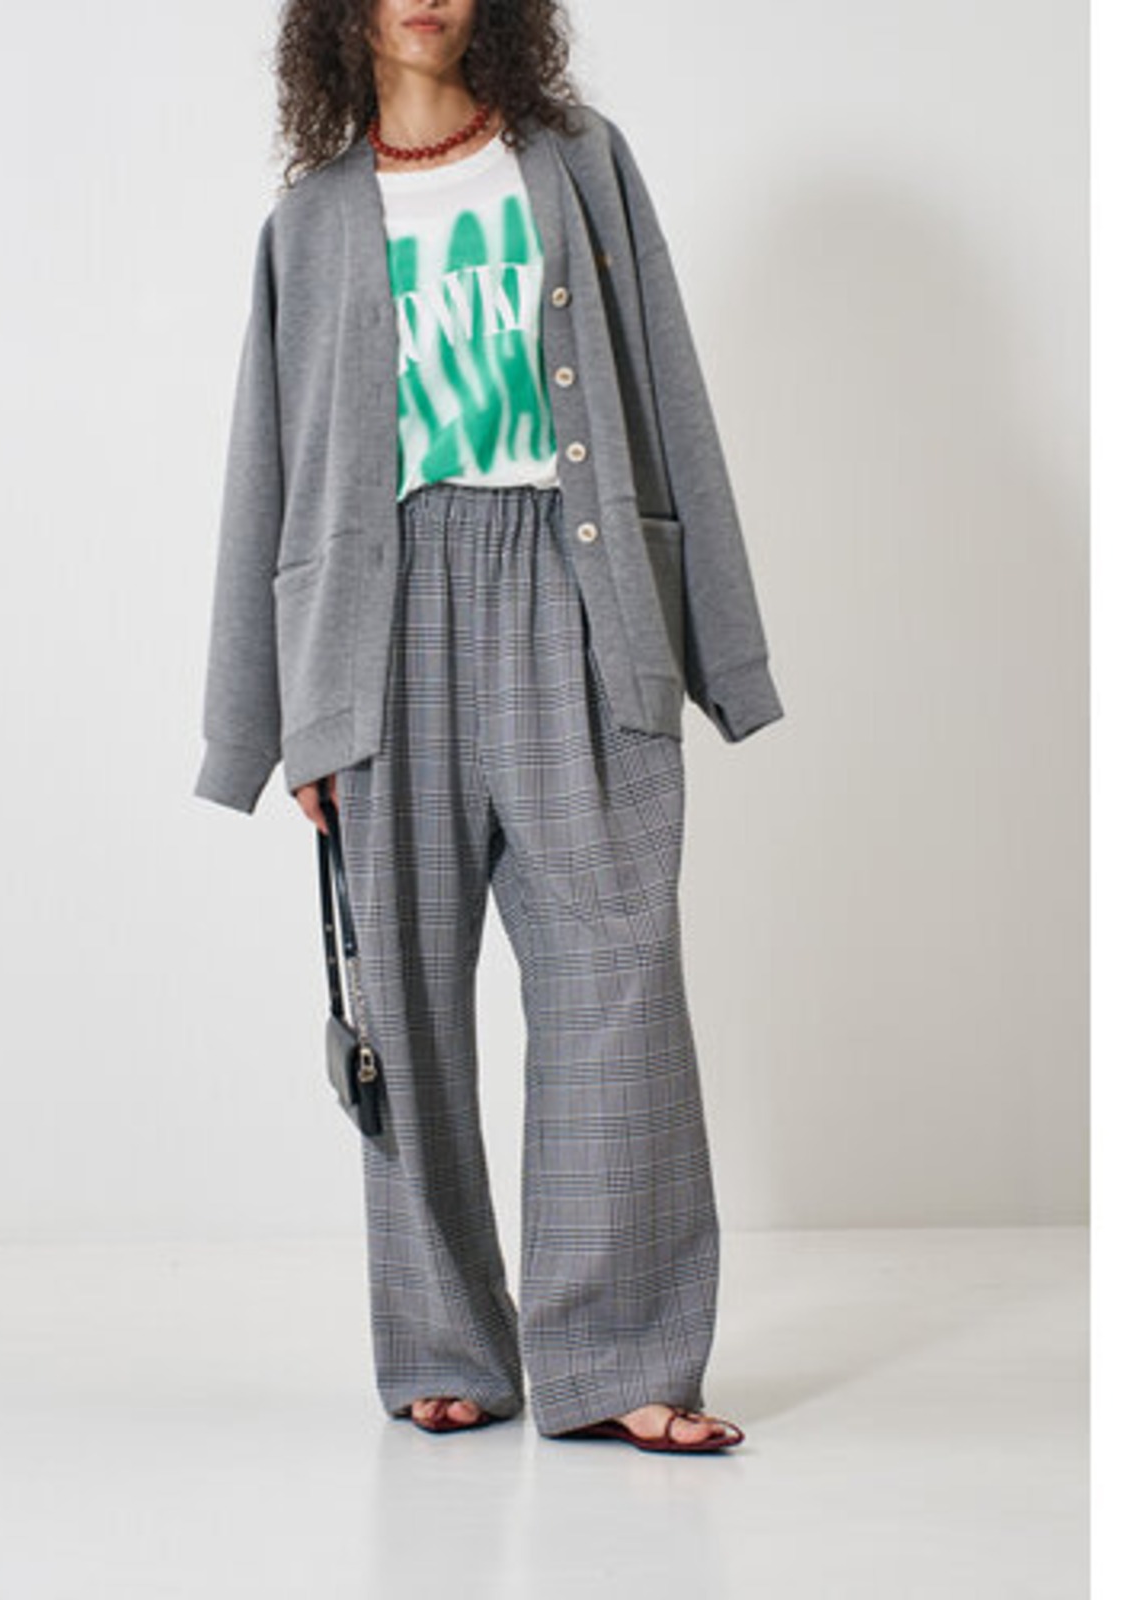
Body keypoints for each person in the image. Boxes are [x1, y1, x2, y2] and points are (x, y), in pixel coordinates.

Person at [194, 0, 786, 1454]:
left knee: (617, 980)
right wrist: (273, 722)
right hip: (382, 621)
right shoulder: (306, 225)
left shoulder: (577, 162)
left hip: (572, 588)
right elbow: (269, 473)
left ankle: (621, 1356)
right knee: (403, 995)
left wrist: (724, 653)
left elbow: (667, 388)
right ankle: (446, 1343)